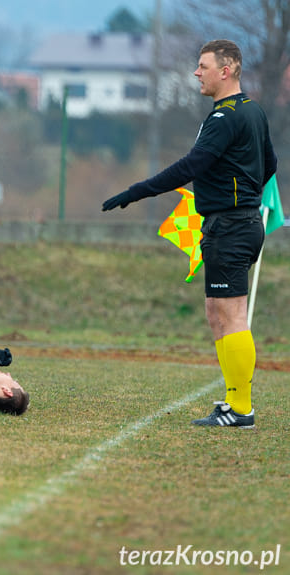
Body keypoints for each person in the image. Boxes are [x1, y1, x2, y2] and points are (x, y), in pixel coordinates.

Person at [102, 40, 276, 428]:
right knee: (217, 312)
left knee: (231, 315)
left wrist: (137, 191)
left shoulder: (226, 117)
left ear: (226, 70)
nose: (197, 73)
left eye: (203, 66)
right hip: (236, 223)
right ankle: (234, 400)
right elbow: (271, 163)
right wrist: (241, 195)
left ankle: (241, 408)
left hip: (231, 226)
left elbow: (191, 166)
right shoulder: (253, 111)